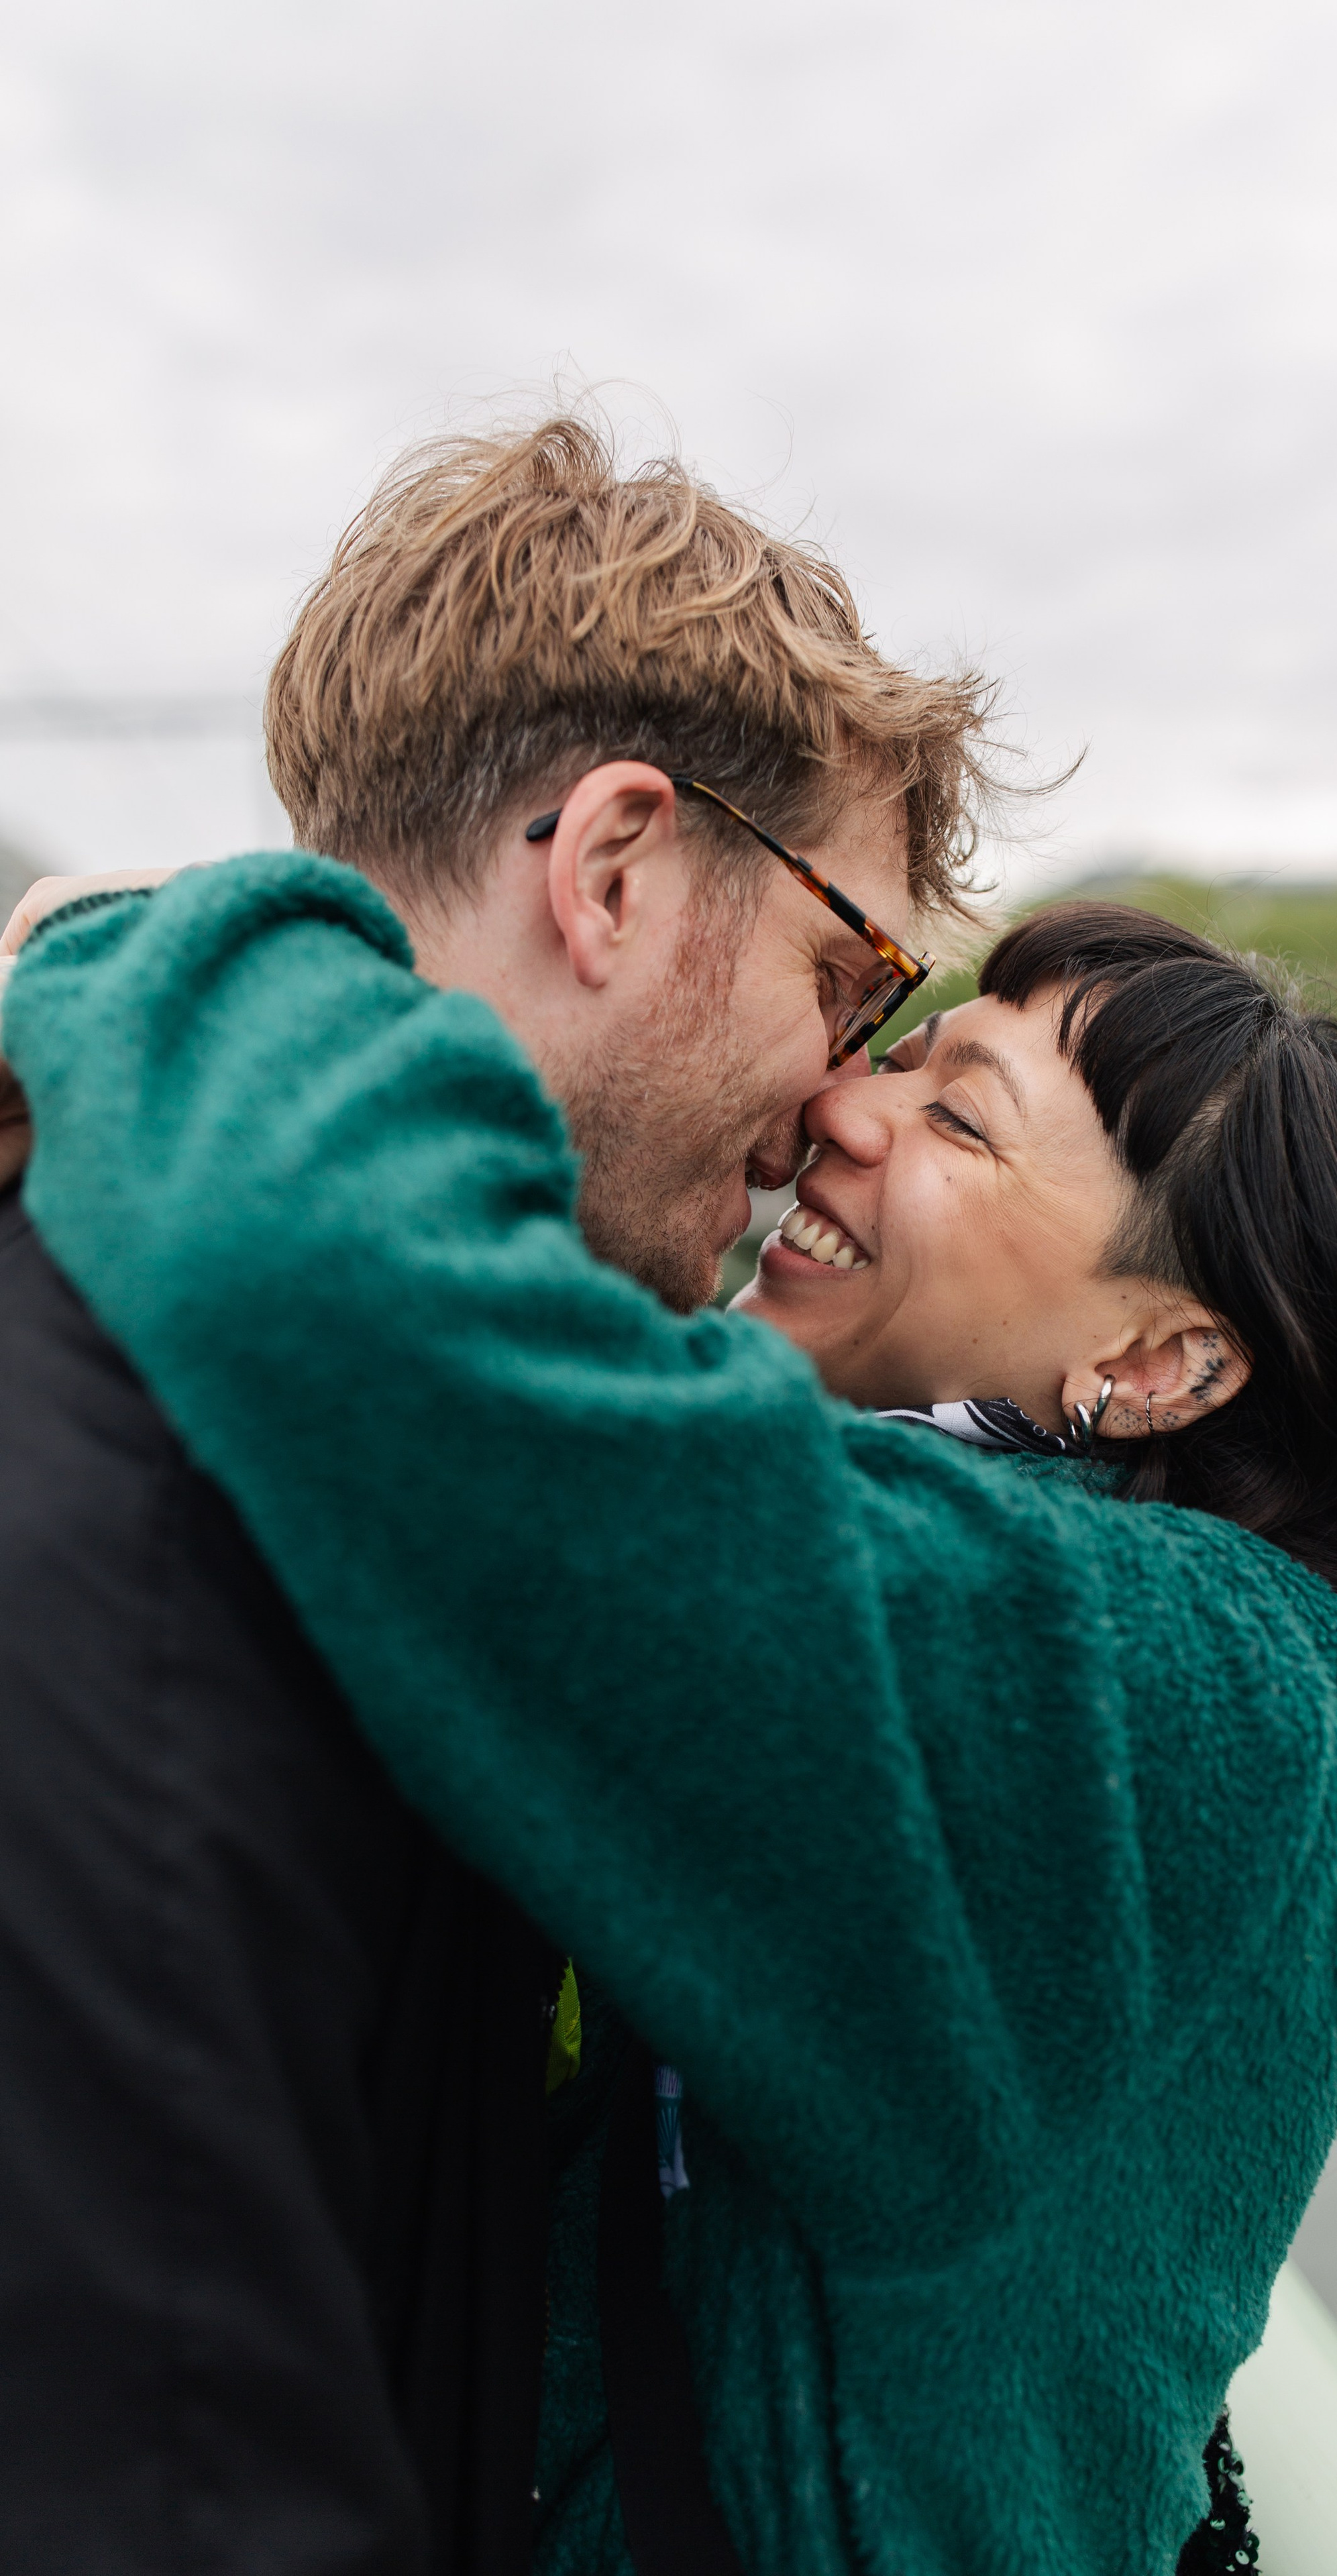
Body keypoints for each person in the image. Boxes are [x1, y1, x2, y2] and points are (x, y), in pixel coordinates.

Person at [3, 831, 1337, 2558]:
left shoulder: (1226, 1709)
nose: (849, 1105)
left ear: (1157, 1361)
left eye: (960, 1119)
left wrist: (123, 954)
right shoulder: (1016, 1561)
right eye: (902, 1053)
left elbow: (476, 1415)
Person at [0, 412, 1000, 2575]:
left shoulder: (385, 1458)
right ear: (618, 867)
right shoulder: (149, 1536)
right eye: (854, 972)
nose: (852, 1096)